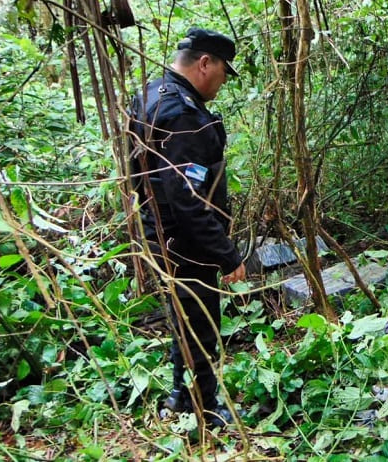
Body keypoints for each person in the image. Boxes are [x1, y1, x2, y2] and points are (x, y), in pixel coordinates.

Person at [128, 27, 245, 428]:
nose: (223, 82)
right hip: (185, 243)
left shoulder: (150, 94)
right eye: (223, 72)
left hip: (160, 235)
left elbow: (140, 177)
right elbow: (187, 199)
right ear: (204, 63)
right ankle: (205, 409)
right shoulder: (183, 115)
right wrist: (226, 253)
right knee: (201, 324)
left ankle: (181, 394)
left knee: (183, 320)